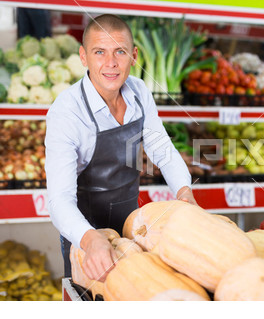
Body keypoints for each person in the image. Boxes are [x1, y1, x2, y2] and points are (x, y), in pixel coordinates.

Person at [45, 14, 196, 282]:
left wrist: (185, 192)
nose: (111, 63)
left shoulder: (139, 92)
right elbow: (59, 198)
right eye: (99, 52)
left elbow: (162, 149)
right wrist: (90, 239)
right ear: (83, 57)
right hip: (85, 235)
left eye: (120, 52)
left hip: (134, 230)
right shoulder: (67, 112)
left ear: (134, 56)